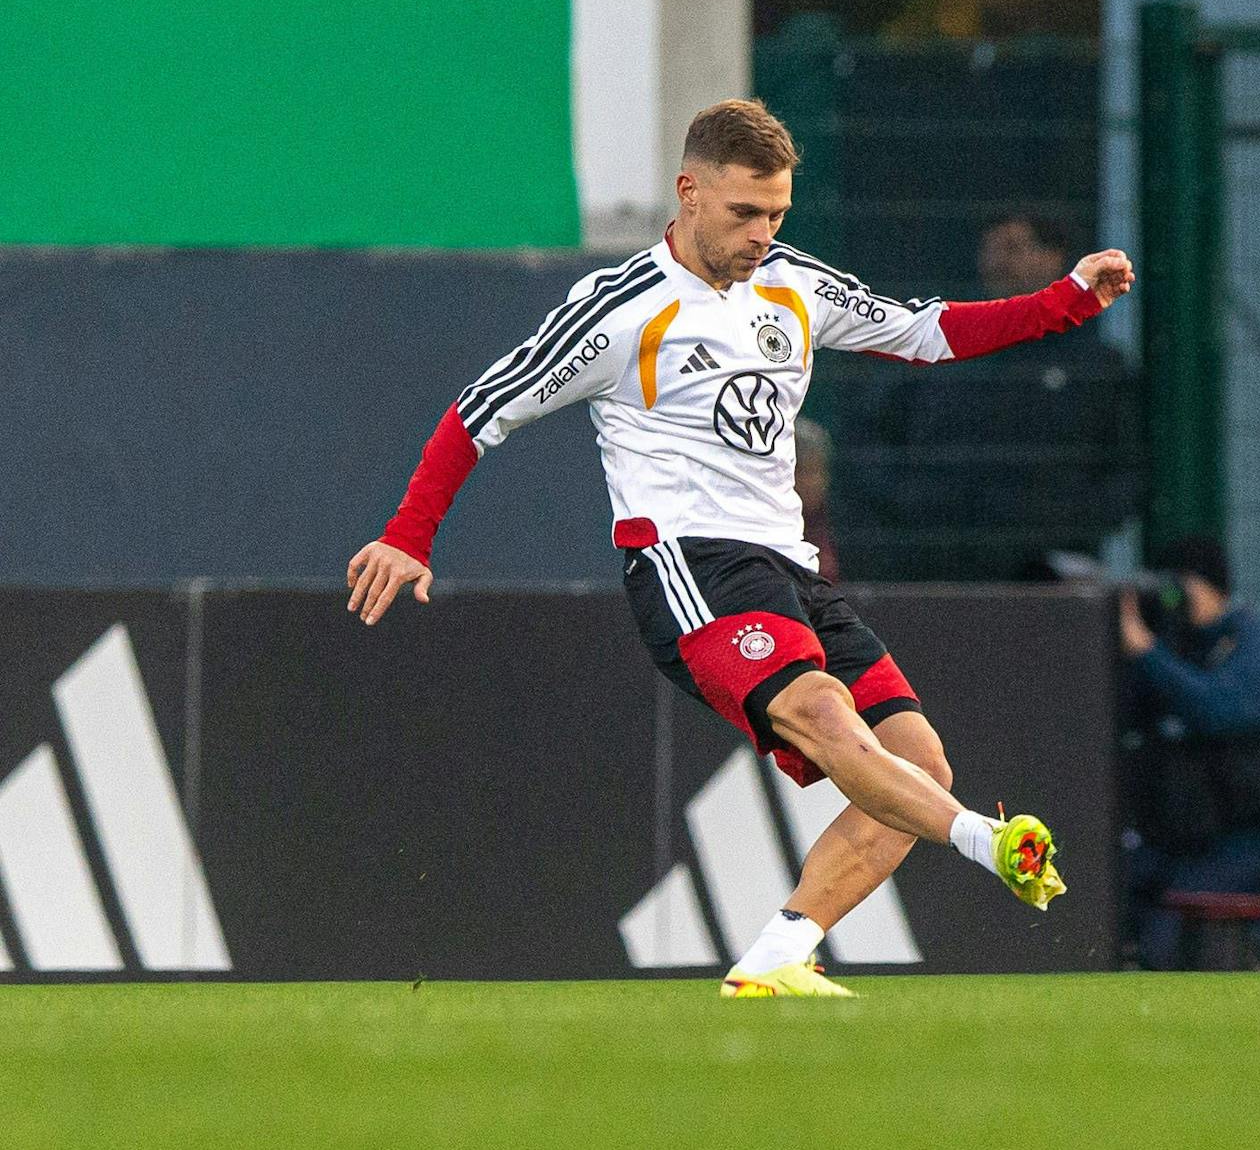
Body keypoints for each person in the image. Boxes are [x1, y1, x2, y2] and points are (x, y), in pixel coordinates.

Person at [345, 100, 1135, 996]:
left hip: (789, 569)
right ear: (688, 194)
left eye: (777, 215)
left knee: (918, 762)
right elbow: (480, 411)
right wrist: (409, 537)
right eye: (744, 214)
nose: (763, 234)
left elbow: (924, 332)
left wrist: (1067, 301)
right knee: (825, 716)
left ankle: (778, 956)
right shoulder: (619, 312)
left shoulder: (790, 281)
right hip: (690, 563)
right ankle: (989, 844)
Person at [845, 213, 1140, 580]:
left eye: (1014, 248)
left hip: (1054, 570)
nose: (1000, 262)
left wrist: (1067, 521)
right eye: (991, 249)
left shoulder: (1093, 365)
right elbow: (870, 440)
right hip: (938, 566)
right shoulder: (943, 348)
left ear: (1055, 258)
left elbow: (1130, 467)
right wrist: (916, 505)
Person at [1118, 536, 1260, 969]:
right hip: (1174, 836)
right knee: (1112, 891)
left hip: (1243, 839)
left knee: (1168, 942)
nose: (1175, 599)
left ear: (1215, 587)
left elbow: (1218, 711)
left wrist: (1148, 653)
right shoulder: (1171, 643)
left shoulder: (1250, 645)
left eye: (1184, 586)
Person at [795, 417, 840, 583]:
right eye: (809, 472)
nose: (818, 482)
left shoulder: (834, 518)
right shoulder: (770, 527)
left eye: (822, 472)